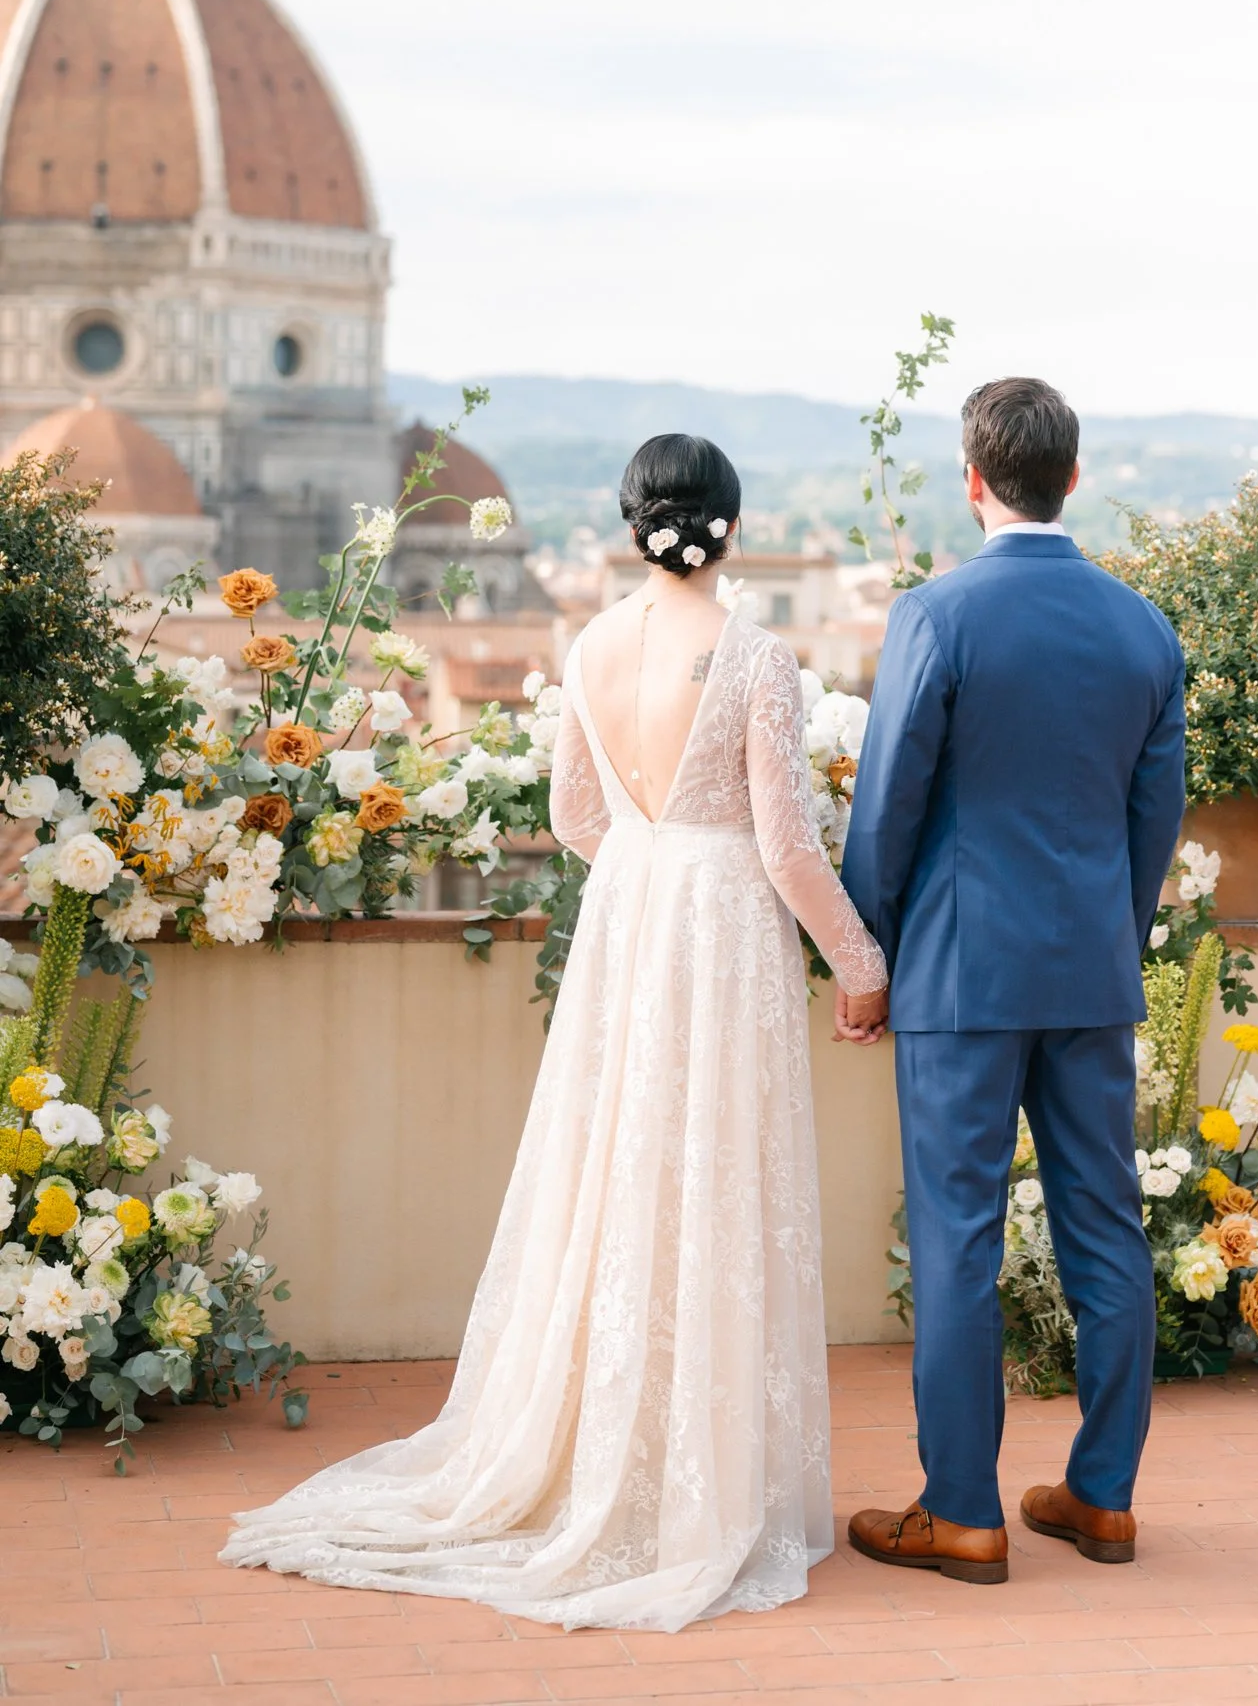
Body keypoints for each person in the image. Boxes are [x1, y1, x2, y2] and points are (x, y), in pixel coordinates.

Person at [222, 434, 889, 1631]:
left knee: (616, 1171)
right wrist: (860, 963)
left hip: (630, 921)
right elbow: (789, 847)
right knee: (710, 1181)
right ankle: (696, 1477)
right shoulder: (754, 657)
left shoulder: (585, 647)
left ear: (634, 527)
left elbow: (573, 815)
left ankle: (605, 1456)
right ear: (730, 528)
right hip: (721, 930)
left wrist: (648, 867)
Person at [839, 376, 1185, 1586]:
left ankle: (962, 1510)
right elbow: (1155, 823)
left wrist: (866, 954)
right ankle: (1101, 1497)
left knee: (957, 1238)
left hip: (957, 973)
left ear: (973, 479)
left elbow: (885, 811)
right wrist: (1109, 935)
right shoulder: (1146, 629)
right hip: (1089, 968)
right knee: (1105, 1223)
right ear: (1072, 479)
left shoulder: (936, 616)